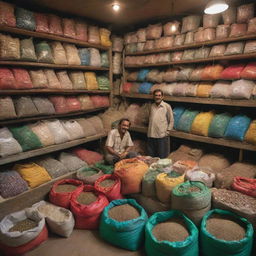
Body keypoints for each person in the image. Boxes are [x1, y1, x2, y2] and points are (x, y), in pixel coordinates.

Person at [147, 89, 174, 158]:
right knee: (151, 156)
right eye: (156, 95)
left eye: (159, 95)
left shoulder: (166, 106)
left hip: (161, 136)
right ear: (153, 96)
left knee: (162, 156)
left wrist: (168, 131)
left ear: (162, 97)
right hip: (151, 135)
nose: (157, 97)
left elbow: (171, 120)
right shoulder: (152, 106)